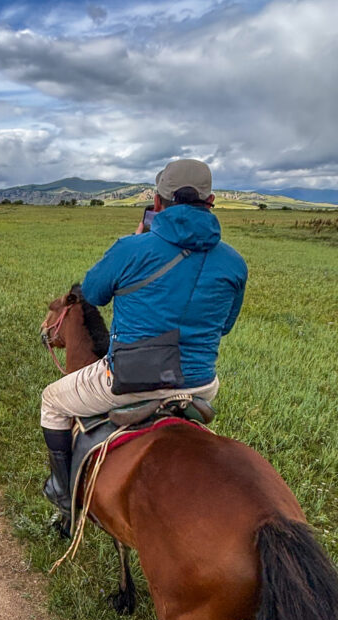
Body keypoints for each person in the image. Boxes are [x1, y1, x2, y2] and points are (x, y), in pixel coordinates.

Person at [41, 159, 248, 517]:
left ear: (156, 203)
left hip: (132, 377)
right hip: (200, 383)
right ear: (211, 201)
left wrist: (135, 244)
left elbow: (92, 291)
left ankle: (62, 490)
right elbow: (225, 327)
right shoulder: (234, 262)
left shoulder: (131, 248)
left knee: (52, 402)